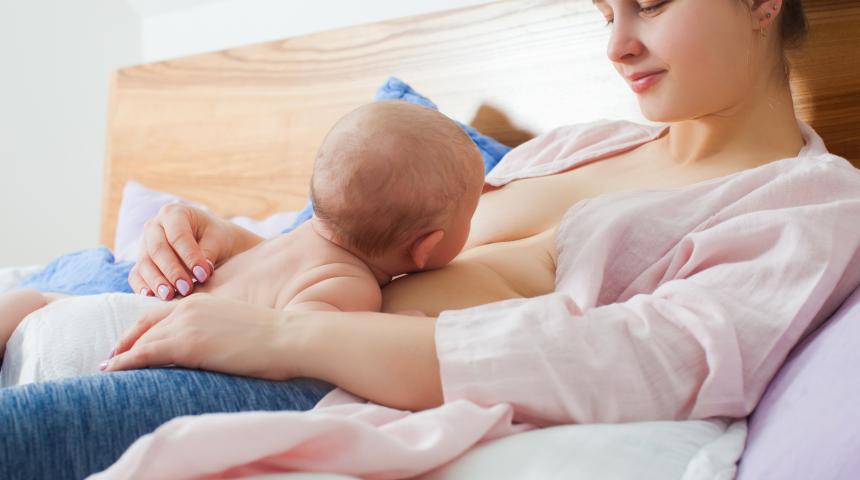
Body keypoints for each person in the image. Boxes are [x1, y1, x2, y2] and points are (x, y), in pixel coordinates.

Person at [4, 0, 860, 478]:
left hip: (314, 379)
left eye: (648, 4)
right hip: (229, 320)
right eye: (604, 11)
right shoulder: (576, 143)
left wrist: (283, 334)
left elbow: (656, 358)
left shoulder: (804, 202)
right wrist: (217, 241)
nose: (616, 43)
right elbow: (369, 244)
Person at [0, 100, 485, 384]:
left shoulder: (277, 242)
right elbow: (312, 345)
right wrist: (395, 327)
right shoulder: (347, 283)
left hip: (72, 316)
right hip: (116, 348)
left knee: (30, 299)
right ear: (426, 246)